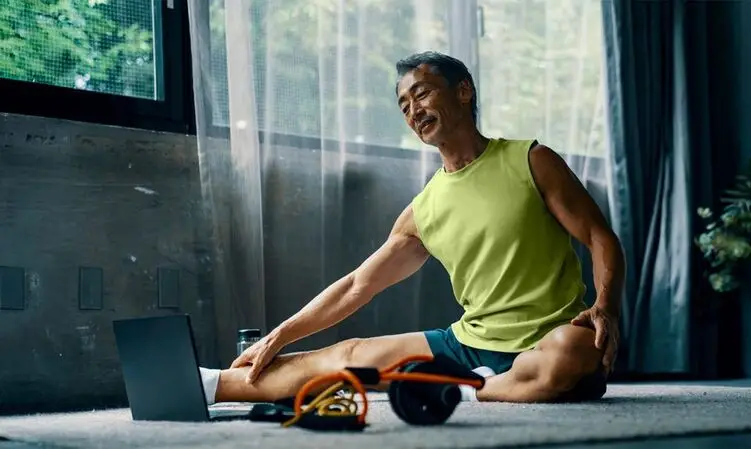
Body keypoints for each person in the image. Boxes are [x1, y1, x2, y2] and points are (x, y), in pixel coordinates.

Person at [199, 51, 625, 405]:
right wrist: (278, 336)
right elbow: (357, 286)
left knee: (572, 354)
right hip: (468, 344)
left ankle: (468, 388)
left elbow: (599, 237)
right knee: (347, 356)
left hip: (549, 339)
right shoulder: (423, 210)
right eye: (404, 106)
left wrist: (605, 307)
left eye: (421, 94)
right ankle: (208, 384)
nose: (414, 111)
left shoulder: (531, 160)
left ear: (463, 91)